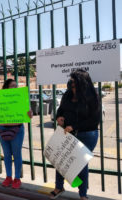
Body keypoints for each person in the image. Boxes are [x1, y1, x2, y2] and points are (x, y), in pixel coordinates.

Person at [50, 69, 101, 200]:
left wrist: (74, 126)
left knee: (80, 164)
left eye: (73, 83)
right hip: (68, 134)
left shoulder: (92, 96)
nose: (71, 85)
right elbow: (61, 110)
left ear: (81, 84)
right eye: (70, 82)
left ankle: (83, 194)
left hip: (87, 135)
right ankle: (59, 187)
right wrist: (59, 117)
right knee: (61, 160)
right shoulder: (67, 94)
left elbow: (94, 120)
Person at [0, 79, 33, 189]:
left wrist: (29, 114)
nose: (15, 88)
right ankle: (8, 177)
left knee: (17, 154)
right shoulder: (0, 99)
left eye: (16, 86)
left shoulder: (21, 98)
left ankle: (17, 178)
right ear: (6, 88)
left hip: (17, 129)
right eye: (13, 86)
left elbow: (29, 115)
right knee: (7, 155)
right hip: (3, 129)